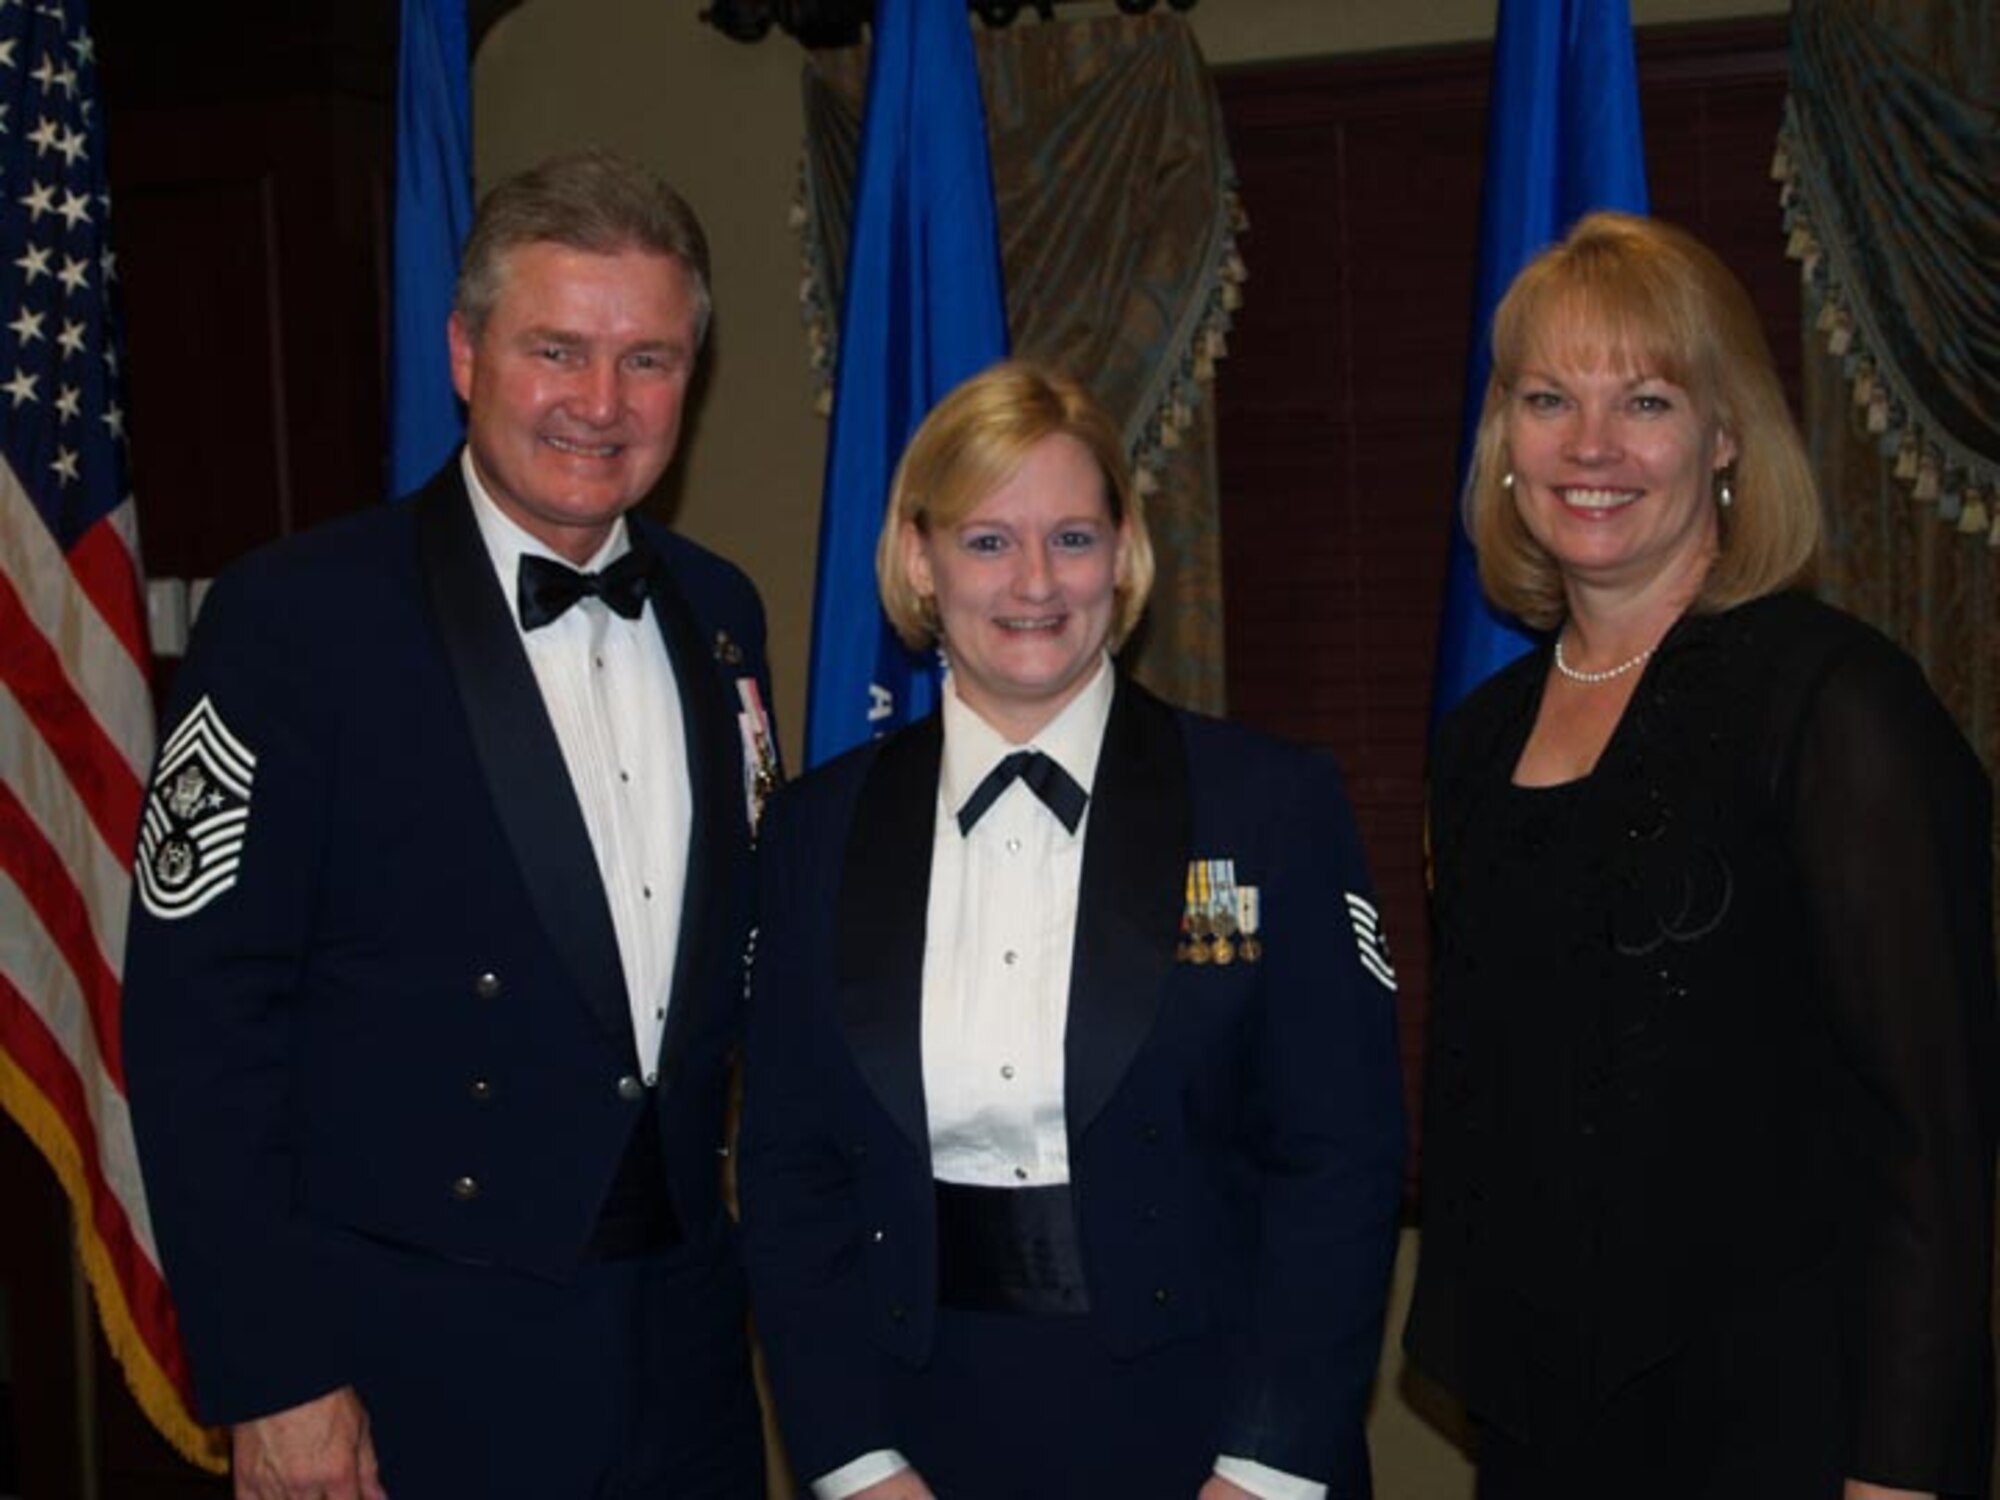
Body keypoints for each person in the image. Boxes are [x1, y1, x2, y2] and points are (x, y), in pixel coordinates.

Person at [123, 149, 777, 1499]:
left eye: (648, 359)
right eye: (558, 350)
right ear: (466, 352)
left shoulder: (720, 614)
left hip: (685, 1349)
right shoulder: (299, 620)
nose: (602, 404)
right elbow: (198, 1026)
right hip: (408, 1360)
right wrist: (276, 1372)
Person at [1404, 212, 1997, 1499]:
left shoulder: (1833, 704)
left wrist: (1894, 1479)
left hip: (1792, 1431)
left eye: (1647, 399)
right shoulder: (1474, 741)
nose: (1592, 446)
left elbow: (1930, 1146)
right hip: (1544, 1432)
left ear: (1725, 436)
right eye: (1547, 398)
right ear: (1503, 439)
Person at [739, 360, 1406, 1500]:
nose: (1035, 582)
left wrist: (1265, 1467)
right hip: (918, 1431)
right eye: (988, 540)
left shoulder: (1267, 805)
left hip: (1213, 1433)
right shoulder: (814, 831)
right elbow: (791, 1174)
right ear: (917, 558)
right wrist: (853, 1462)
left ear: (1124, 553)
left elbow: (1338, 1164)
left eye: (1073, 537)